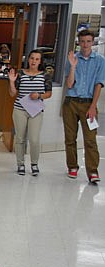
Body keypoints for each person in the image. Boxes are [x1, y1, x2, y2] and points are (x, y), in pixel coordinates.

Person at [63, 29, 105, 183]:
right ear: (78, 42)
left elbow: (99, 84)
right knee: (70, 138)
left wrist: (93, 106)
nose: (85, 44)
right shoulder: (73, 59)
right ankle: (72, 167)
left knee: (90, 139)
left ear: (92, 42)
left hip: (88, 103)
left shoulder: (100, 60)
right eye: (82, 41)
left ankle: (93, 171)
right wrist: (73, 66)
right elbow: (69, 84)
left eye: (88, 41)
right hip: (71, 103)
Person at [8, 50, 52, 176]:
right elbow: (12, 94)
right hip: (20, 110)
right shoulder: (21, 74)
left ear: (40, 61)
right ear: (28, 59)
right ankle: (20, 164)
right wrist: (11, 81)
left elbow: (49, 93)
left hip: (36, 111)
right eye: (32, 58)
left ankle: (34, 164)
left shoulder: (45, 75)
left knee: (34, 139)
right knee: (20, 138)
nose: (34, 61)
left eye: (37, 59)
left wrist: (39, 95)